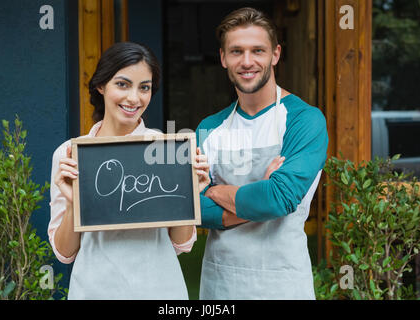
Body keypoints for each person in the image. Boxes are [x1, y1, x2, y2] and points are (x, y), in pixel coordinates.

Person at [48, 42, 210, 299]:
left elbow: (181, 244)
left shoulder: (166, 149)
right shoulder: (69, 154)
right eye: (122, 84)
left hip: (159, 290)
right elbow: (65, 253)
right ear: (101, 85)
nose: (134, 98)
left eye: (144, 87)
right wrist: (72, 204)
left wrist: (188, 196)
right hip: (94, 290)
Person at [196, 7, 328, 299]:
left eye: (257, 50)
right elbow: (192, 210)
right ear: (223, 58)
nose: (247, 62)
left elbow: (278, 199)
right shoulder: (208, 128)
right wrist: (261, 194)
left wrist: (214, 191)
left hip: (282, 284)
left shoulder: (305, 120)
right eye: (236, 51)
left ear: (275, 55)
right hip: (221, 285)